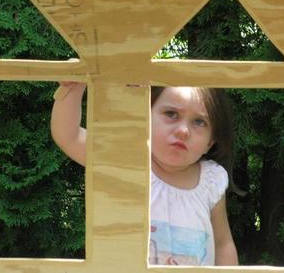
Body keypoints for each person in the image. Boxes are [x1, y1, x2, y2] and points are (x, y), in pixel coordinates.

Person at [51, 83, 238, 266]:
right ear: (145, 117)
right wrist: (74, 88)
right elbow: (70, 137)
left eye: (199, 122)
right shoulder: (125, 161)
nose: (183, 131)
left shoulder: (210, 180)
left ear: (210, 142)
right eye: (171, 114)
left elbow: (223, 243)